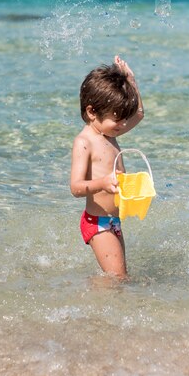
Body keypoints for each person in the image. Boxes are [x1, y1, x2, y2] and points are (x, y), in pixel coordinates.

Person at [70, 55, 144, 279]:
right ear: (92, 112)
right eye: (117, 119)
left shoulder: (109, 132)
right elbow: (75, 187)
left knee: (118, 276)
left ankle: (100, 305)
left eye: (124, 119)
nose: (123, 125)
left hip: (113, 220)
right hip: (97, 222)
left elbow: (139, 114)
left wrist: (131, 81)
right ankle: (92, 308)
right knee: (118, 278)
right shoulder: (85, 142)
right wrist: (102, 183)